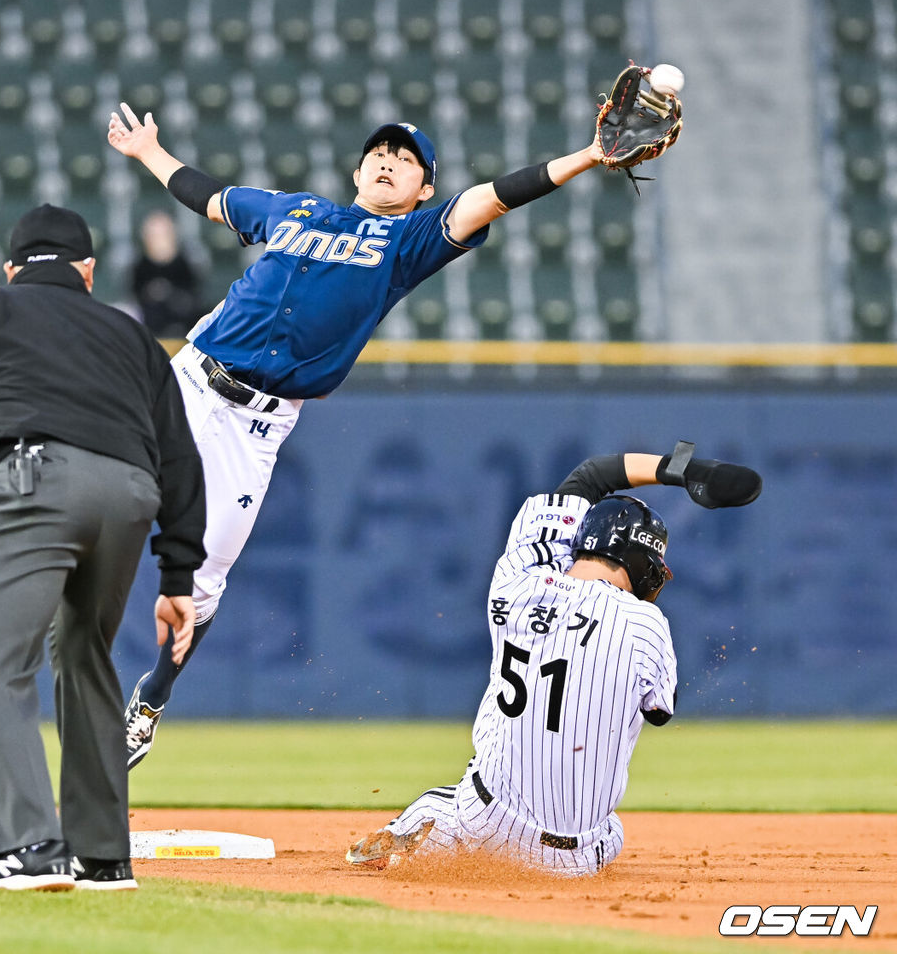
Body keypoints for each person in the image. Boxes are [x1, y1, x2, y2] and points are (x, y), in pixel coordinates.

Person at [106, 100, 612, 770]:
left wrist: (587, 156)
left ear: (424, 191)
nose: (388, 161)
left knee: (204, 583)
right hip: (187, 380)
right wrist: (147, 154)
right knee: (94, 472)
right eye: (380, 152)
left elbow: (493, 198)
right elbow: (211, 198)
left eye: (407, 161)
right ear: (356, 168)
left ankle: (151, 699)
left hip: (256, 425)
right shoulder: (293, 211)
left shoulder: (408, 243)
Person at [0, 204, 206, 892]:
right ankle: (104, 856)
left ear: (11, 270)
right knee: (84, 655)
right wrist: (179, 573)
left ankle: (28, 847)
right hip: (129, 495)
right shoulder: (131, 336)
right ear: (87, 271)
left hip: (33, 479)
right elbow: (181, 455)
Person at [345, 442, 761, 876]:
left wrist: (686, 469)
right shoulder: (647, 625)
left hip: (483, 819)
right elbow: (659, 710)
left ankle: (395, 844)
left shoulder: (514, 580)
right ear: (638, 557)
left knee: (444, 800)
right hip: (573, 857)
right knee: (613, 830)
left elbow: (589, 477)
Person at [130, 208, 205, 339]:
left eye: (164, 234)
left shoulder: (187, 266)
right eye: (155, 235)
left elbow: (194, 302)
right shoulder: (139, 268)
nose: (160, 240)